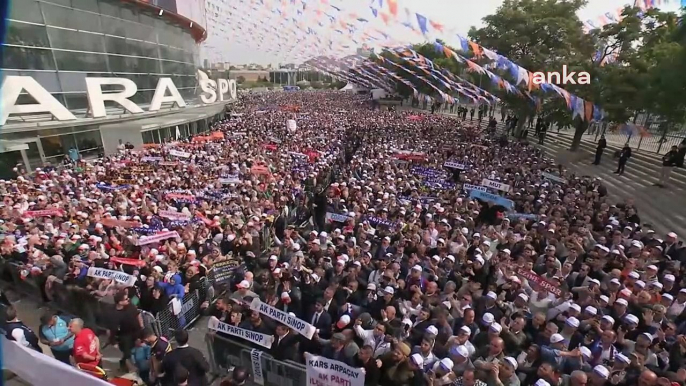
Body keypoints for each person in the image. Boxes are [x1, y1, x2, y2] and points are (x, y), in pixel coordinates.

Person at [109, 289, 144, 372]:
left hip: (136, 332)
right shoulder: (114, 313)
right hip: (124, 336)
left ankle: (126, 363)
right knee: (127, 352)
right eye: (126, 299)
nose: (128, 300)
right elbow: (112, 328)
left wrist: (142, 326)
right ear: (120, 302)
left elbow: (138, 314)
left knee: (136, 349)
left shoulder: (130, 306)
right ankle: (129, 368)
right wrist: (113, 341)